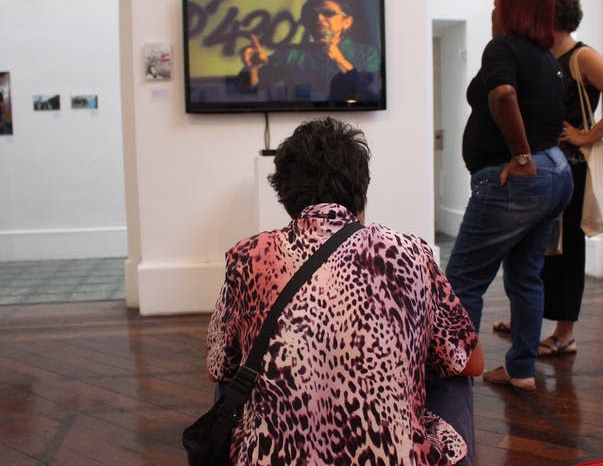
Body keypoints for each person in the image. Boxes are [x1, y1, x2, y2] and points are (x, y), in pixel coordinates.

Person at [206, 117, 483, 465]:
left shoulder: (248, 257)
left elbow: (217, 367)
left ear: (285, 194)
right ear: (361, 190)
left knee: (232, 380)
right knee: (452, 370)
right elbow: (472, 362)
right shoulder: (410, 253)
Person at [491, 0, 603, 357]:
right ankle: (527, 318)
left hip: (570, 170)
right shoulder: (541, 53)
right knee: (531, 248)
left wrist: (586, 135)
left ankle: (565, 333)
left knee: (567, 251)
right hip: (540, 168)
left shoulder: (581, 57)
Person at [442, 0, 573, 395]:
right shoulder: (549, 60)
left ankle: (453, 372)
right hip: (556, 175)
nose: (492, 11)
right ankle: (520, 370)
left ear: (511, 10)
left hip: (518, 180)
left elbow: (502, 94)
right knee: (526, 277)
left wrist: (518, 157)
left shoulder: (502, 48)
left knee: (464, 280)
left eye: (498, 4)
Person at [237, 0, 382, 103]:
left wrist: (340, 60)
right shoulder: (292, 54)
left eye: (328, 13)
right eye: (311, 15)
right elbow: (247, 90)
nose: (318, 19)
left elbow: (373, 94)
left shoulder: (366, 53)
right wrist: (252, 68)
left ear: (347, 22)